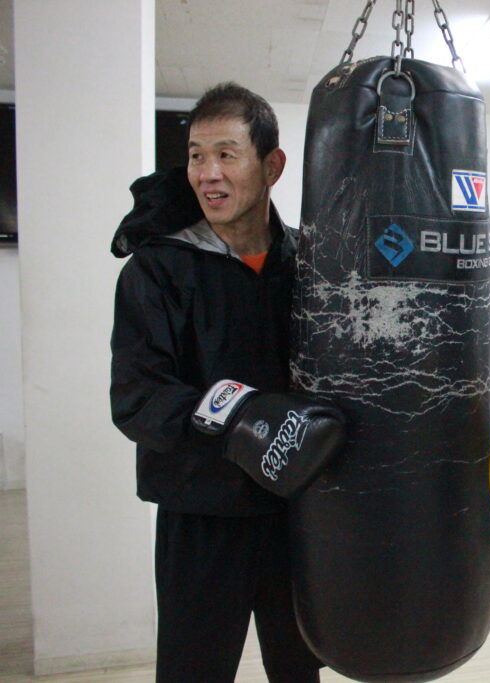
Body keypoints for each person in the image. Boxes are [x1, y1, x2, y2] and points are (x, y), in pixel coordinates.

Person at [109, 82, 325, 682]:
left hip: (296, 512)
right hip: (202, 514)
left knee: (300, 669)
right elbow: (136, 398)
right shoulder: (157, 269)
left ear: (271, 165)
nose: (208, 174)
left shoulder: (308, 264)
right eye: (197, 156)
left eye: (227, 154)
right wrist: (241, 418)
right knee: (193, 671)